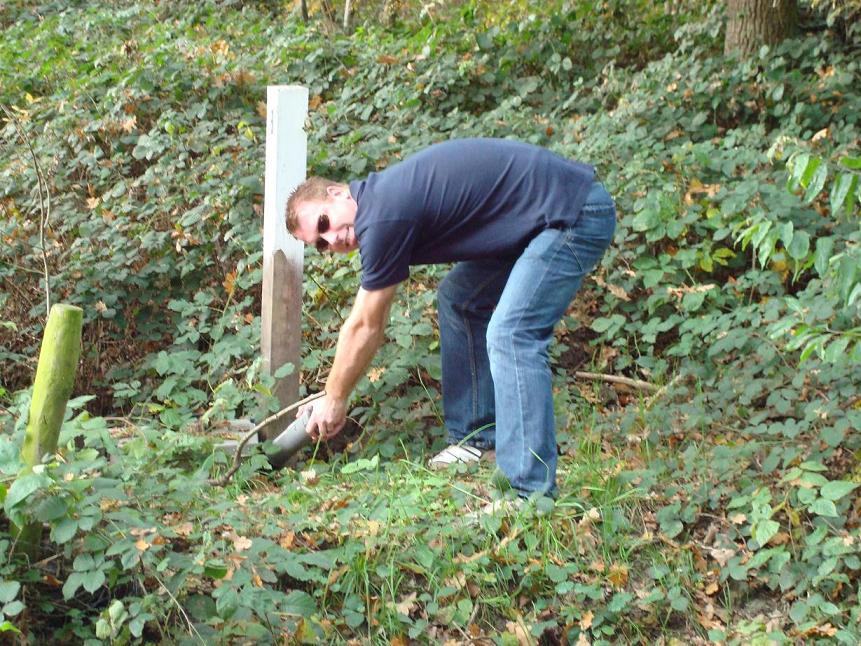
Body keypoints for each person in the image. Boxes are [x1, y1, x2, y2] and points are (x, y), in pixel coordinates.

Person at [286, 138, 615, 499]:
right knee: (460, 300)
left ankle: (529, 492)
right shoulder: (380, 203)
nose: (332, 238)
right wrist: (331, 393)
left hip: (575, 214)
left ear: (337, 193)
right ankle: (477, 439)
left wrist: (334, 398)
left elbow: (366, 325)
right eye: (321, 243)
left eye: (324, 222)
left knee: (511, 334)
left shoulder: (381, 215)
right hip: (537, 221)